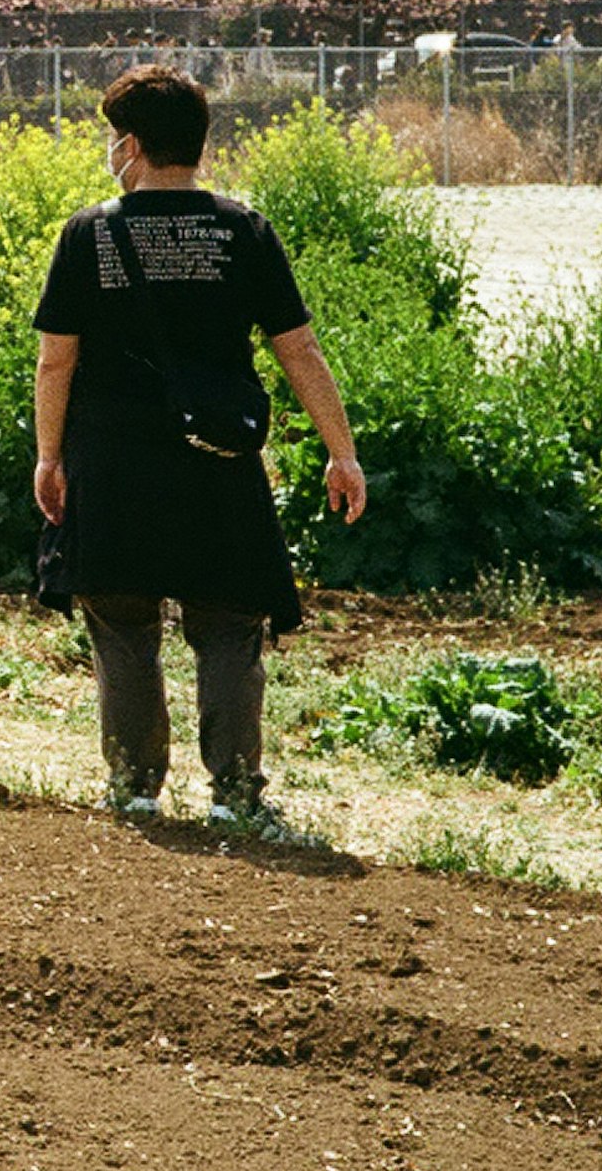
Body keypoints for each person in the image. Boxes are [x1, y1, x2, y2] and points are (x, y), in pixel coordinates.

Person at [32, 65, 362, 837]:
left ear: (135, 145)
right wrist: (340, 453)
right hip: (215, 458)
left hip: (111, 460)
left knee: (121, 622)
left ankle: (136, 789)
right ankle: (236, 795)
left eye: (117, 137)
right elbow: (300, 350)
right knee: (229, 622)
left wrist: (50, 457)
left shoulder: (89, 233)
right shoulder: (243, 230)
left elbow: (56, 360)